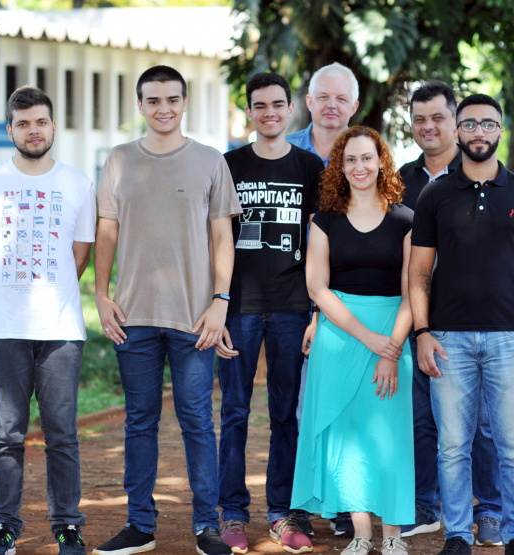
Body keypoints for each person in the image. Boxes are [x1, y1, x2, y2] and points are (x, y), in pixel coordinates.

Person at [92, 65, 242, 555]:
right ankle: (140, 524)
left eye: (172, 99)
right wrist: (100, 294)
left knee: (198, 420)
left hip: (195, 317)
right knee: (140, 420)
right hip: (132, 317)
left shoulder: (209, 160)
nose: (164, 109)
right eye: (153, 100)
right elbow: (107, 231)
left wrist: (220, 301)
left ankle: (206, 527)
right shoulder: (118, 161)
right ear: (140, 105)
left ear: (183, 103)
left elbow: (223, 235)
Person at [408, 93, 514, 555]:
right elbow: (418, 273)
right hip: (449, 340)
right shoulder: (435, 195)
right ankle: (456, 535)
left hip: (512, 340)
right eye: (469, 124)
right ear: (457, 131)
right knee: (452, 446)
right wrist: (422, 332)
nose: (479, 132)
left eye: (488, 124)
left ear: (500, 130)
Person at [0, 85, 94, 555]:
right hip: (2, 327)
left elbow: (79, 257)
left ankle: (67, 527)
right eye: (22, 123)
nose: (32, 130)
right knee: (6, 434)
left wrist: (47, 287)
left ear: (53, 126)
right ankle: (4, 528)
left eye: (40, 122)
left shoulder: (79, 184)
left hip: (59, 330)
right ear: (10, 129)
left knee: (62, 434)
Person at [291, 126, 415, 555]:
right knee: (347, 438)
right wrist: (369, 339)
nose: (358, 167)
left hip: (393, 336)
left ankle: (394, 538)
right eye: (350, 160)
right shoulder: (324, 220)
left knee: (390, 438)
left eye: (366, 158)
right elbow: (317, 288)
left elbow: (412, 291)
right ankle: (362, 535)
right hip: (340, 338)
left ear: (381, 161)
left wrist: (391, 347)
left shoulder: (405, 219)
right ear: (339, 168)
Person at [214, 72, 323, 555]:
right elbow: (214, 239)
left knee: (286, 414)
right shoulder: (228, 164)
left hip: (293, 308)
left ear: (291, 107)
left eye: (278, 104)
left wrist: (318, 312)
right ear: (250, 112)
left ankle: (282, 511)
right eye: (260, 106)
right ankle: (232, 513)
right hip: (237, 308)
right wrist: (213, 306)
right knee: (234, 411)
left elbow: (322, 243)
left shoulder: (311, 166)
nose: (270, 113)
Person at [398, 82, 504, 546]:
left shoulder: (487, 177)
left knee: (481, 423)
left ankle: (491, 509)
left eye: (438, 118)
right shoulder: (399, 180)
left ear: (457, 124)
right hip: (420, 320)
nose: (428, 127)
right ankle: (427, 504)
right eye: (419, 119)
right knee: (421, 417)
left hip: (474, 322)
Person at [286, 61, 360, 538]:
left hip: (345, 304)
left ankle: (341, 503)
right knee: (295, 407)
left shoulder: (367, 155)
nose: (332, 106)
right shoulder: (284, 152)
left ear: (355, 106)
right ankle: (298, 505)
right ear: (308, 102)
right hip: (285, 301)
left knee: (344, 406)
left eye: (342, 98)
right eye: (323, 96)